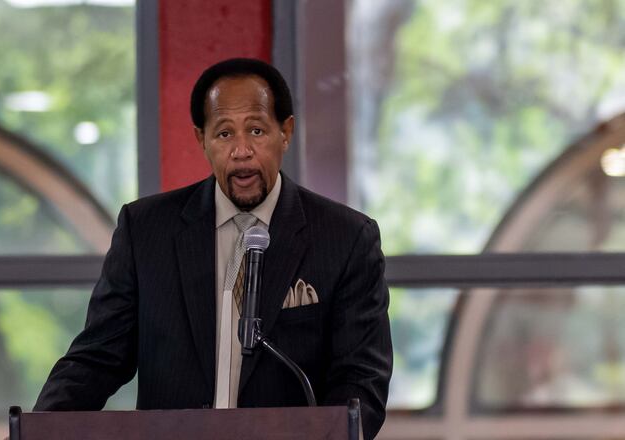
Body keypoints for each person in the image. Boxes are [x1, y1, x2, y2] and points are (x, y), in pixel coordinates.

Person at [34, 58, 392, 439]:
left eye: (256, 130)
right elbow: (97, 358)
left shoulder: (346, 238)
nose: (241, 151)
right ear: (200, 139)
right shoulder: (146, 231)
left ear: (285, 132)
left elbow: (361, 381)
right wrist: (37, 430)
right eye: (224, 134)